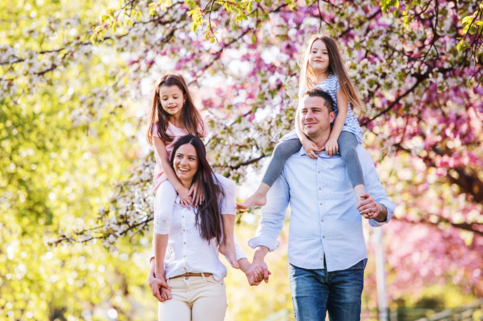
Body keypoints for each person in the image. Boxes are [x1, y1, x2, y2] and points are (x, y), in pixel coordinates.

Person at [245, 89, 396, 321]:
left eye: (316, 110)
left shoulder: (355, 154)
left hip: (348, 262)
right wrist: (259, 256)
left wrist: (378, 209)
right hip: (304, 265)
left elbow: (383, 203)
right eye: (304, 111)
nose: (308, 116)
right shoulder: (288, 161)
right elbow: (273, 215)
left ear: (332, 116)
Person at [238, 35, 367, 210]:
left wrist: (333, 138)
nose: (318, 55)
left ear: (332, 58)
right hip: (314, 126)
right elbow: (300, 115)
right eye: (314, 51)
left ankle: (360, 195)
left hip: (341, 126)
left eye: (324, 52)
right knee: (281, 149)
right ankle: (259, 195)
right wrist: (305, 141)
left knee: (348, 151)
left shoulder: (337, 80)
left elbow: (343, 111)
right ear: (308, 56)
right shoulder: (306, 83)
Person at [147, 135, 264, 321]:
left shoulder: (212, 196)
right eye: (179, 156)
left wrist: (248, 268)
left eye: (191, 158)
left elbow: (228, 240)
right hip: (173, 286)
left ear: (200, 163)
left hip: (208, 285)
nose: (183, 162)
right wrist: (152, 271)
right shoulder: (165, 194)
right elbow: (159, 237)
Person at [147, 74, 239, 269]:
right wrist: (179, 188)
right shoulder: (158, 128)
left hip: (195, 173)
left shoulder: (195, 123)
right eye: (164, 98)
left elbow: (199, 156)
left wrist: (199, 181)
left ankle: (228, 242)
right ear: (159, 100)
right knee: (163, 214)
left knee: (229, 186)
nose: (170, 102)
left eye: (174, 97)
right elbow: (164, 161)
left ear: (184, 97)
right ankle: (158, 265)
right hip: (168, 177)